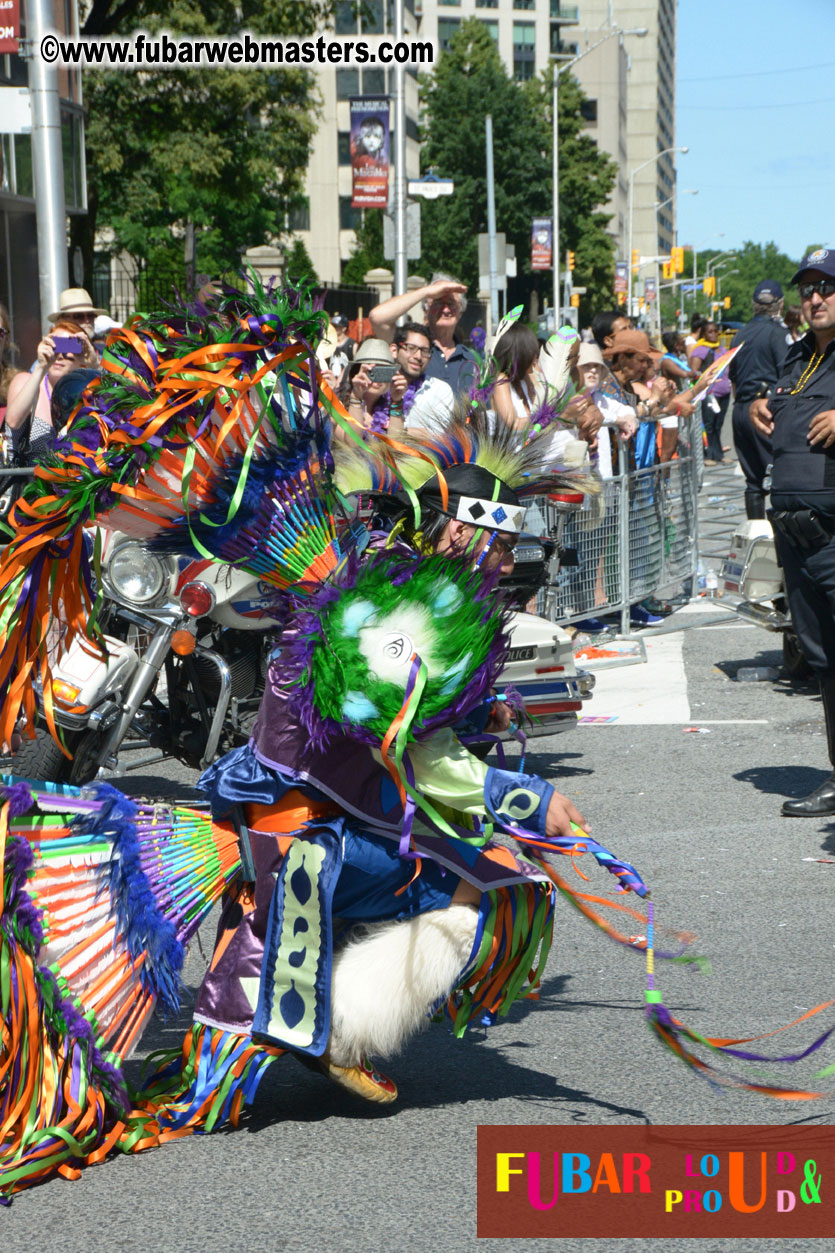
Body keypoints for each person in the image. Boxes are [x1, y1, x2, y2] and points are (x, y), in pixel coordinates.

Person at [749, 249, 835, 816]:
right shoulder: (797, 354)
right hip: (796, 531)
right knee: (823, 657)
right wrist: (760, 406)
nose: (815, 298)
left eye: (827, 288)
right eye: (807, 289)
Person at [729, 280, 791, 519]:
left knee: (754, 481)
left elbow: (734, 379)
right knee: (781, 476)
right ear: (779, 305)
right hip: (767, 410)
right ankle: (781, 535)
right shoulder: (778, 334)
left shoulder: (739, 335)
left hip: (740, 410)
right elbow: (789, 376)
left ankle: (755, 532)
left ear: (754, 304)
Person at [370, 274, 478, 397]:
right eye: (438, 302)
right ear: (426, 309)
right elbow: (377, 317)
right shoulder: (407, 347)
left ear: (460, 312)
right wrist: (426, 292)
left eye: (451, 304)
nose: (446, 310)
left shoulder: (471, 359)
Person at [4, 320, 98, 460]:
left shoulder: (88, 393)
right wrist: (41, 367)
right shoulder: (26, 381)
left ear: (82, 354)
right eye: (55, 346)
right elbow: (13, 421)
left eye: (70, 346)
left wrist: (94, 366)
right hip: (29, 473)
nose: (60, 355)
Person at [387, 321, 455, 433]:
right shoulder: (380, 385)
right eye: (411, 348)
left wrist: (391, 428)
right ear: (394, 350)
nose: (418, 356)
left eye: (424, 351)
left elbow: (439, 436)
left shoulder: (439, 390)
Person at [688, 320, 731, 465]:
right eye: (710, 331)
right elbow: (694, 372)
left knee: (718, 424)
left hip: (724, 392)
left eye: (715, 331)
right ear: (704, 334)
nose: (714, 334)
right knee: (709, 425)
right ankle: (707, 455)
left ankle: (718, 454)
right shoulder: (700, 350)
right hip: (710, 393)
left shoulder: (722, 349)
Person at [336, 337, 395, 435]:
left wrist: (397, 401)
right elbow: (353, 442)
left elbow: (397, 441)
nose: (377, 379)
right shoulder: (338, 408)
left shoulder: (392, 410)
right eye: (371, 371)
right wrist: (356, 398)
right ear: (357, 372)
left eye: (383, 371)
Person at [491, 322, 542, 432]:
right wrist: (543, 418)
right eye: (532, 354)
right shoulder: (501, 381)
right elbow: (513, 424)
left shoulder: (526, 378)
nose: (535, 358)